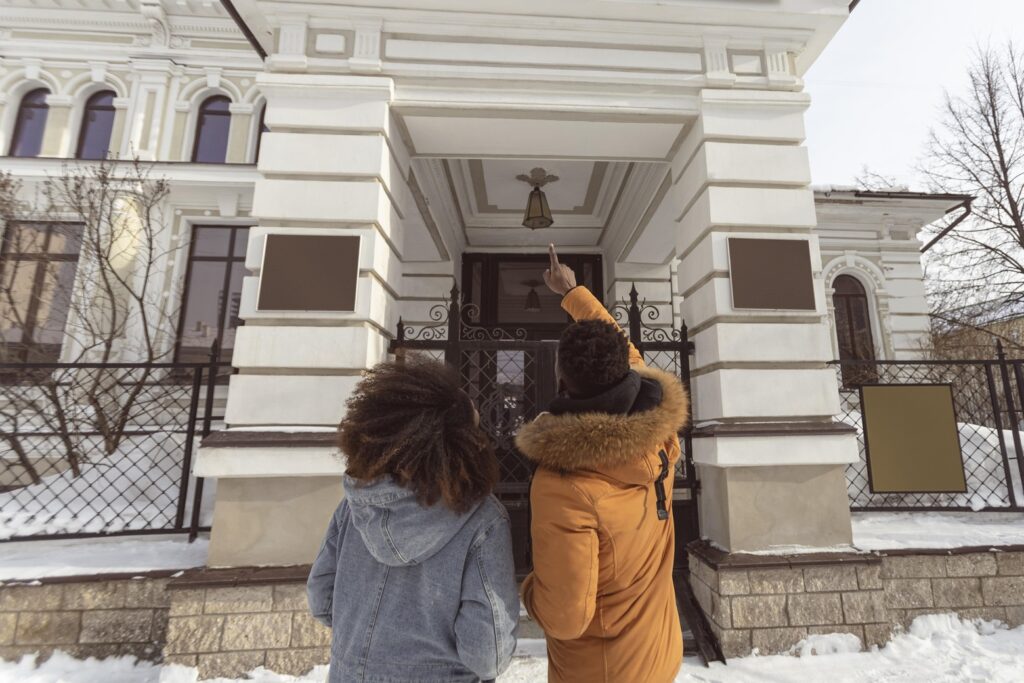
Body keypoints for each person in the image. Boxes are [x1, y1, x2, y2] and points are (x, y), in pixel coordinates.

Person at [516, 245, 689, 683]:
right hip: (659, 655)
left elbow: (565, 617)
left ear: (561, 380)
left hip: (600, 672)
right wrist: (572, 292)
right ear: (624, 376)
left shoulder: (564, 486)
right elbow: (627, 353)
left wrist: (529, 589)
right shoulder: (660, 433)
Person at [307, 357, 519, 683]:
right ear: (462, 445)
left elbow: (322, 599)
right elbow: (486, 652)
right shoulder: (483, 520)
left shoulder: (355, 505)